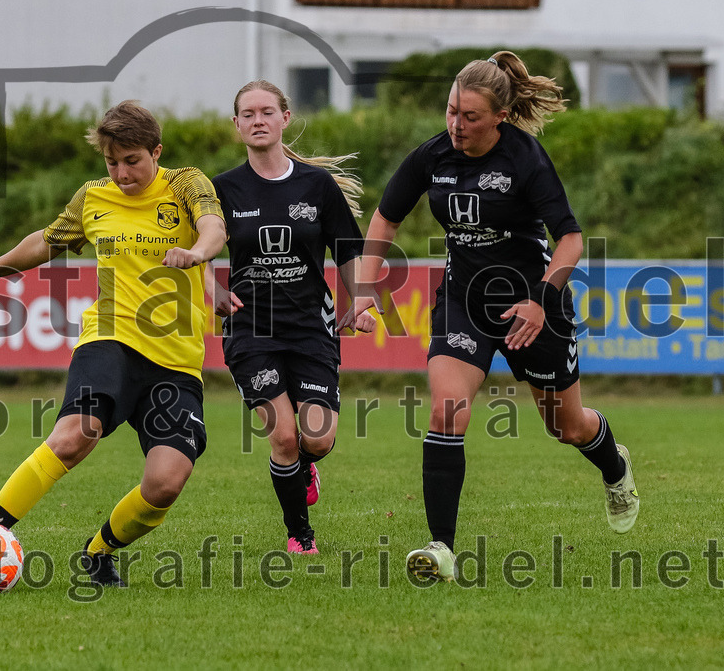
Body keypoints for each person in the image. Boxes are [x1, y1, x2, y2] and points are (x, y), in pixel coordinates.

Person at [353, 51, 639, 582]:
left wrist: (540, 298)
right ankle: (441, 548)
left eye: (470, 118)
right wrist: (367, 288)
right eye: (450, 112)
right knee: (446, 410)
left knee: (567, 427)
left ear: (500, 118)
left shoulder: (525, 159)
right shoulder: (432, 157)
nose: (456, 126)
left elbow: (571, 240)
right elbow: (386, 218)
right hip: (464, 301)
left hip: (533, 303)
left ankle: (615, 467)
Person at [0, 101, 226, 589]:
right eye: (111, 162)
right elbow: (47, 240)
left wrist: (197, 252)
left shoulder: (187, 183)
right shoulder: (93, 198)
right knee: (76, 434)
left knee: (165, 483)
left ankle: (98, 553)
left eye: (132, 160)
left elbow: (214, 226)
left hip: (176, 361)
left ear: (157, 151)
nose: (121, 172)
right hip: (110, 338)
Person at [206, 80, 374, 555]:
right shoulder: (222, 190)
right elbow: (200, 247)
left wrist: (360, 298)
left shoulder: (316, 186)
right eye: (247, 114)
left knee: (315, 438)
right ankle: (301, 536)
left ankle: (307, 464)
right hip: (250, 329)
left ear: (284, 118)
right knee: (283, 435)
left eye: (266, 112)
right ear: (236, 125)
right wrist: (210, 285)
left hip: (310, 329)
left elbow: (347, 251)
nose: (257, 120)